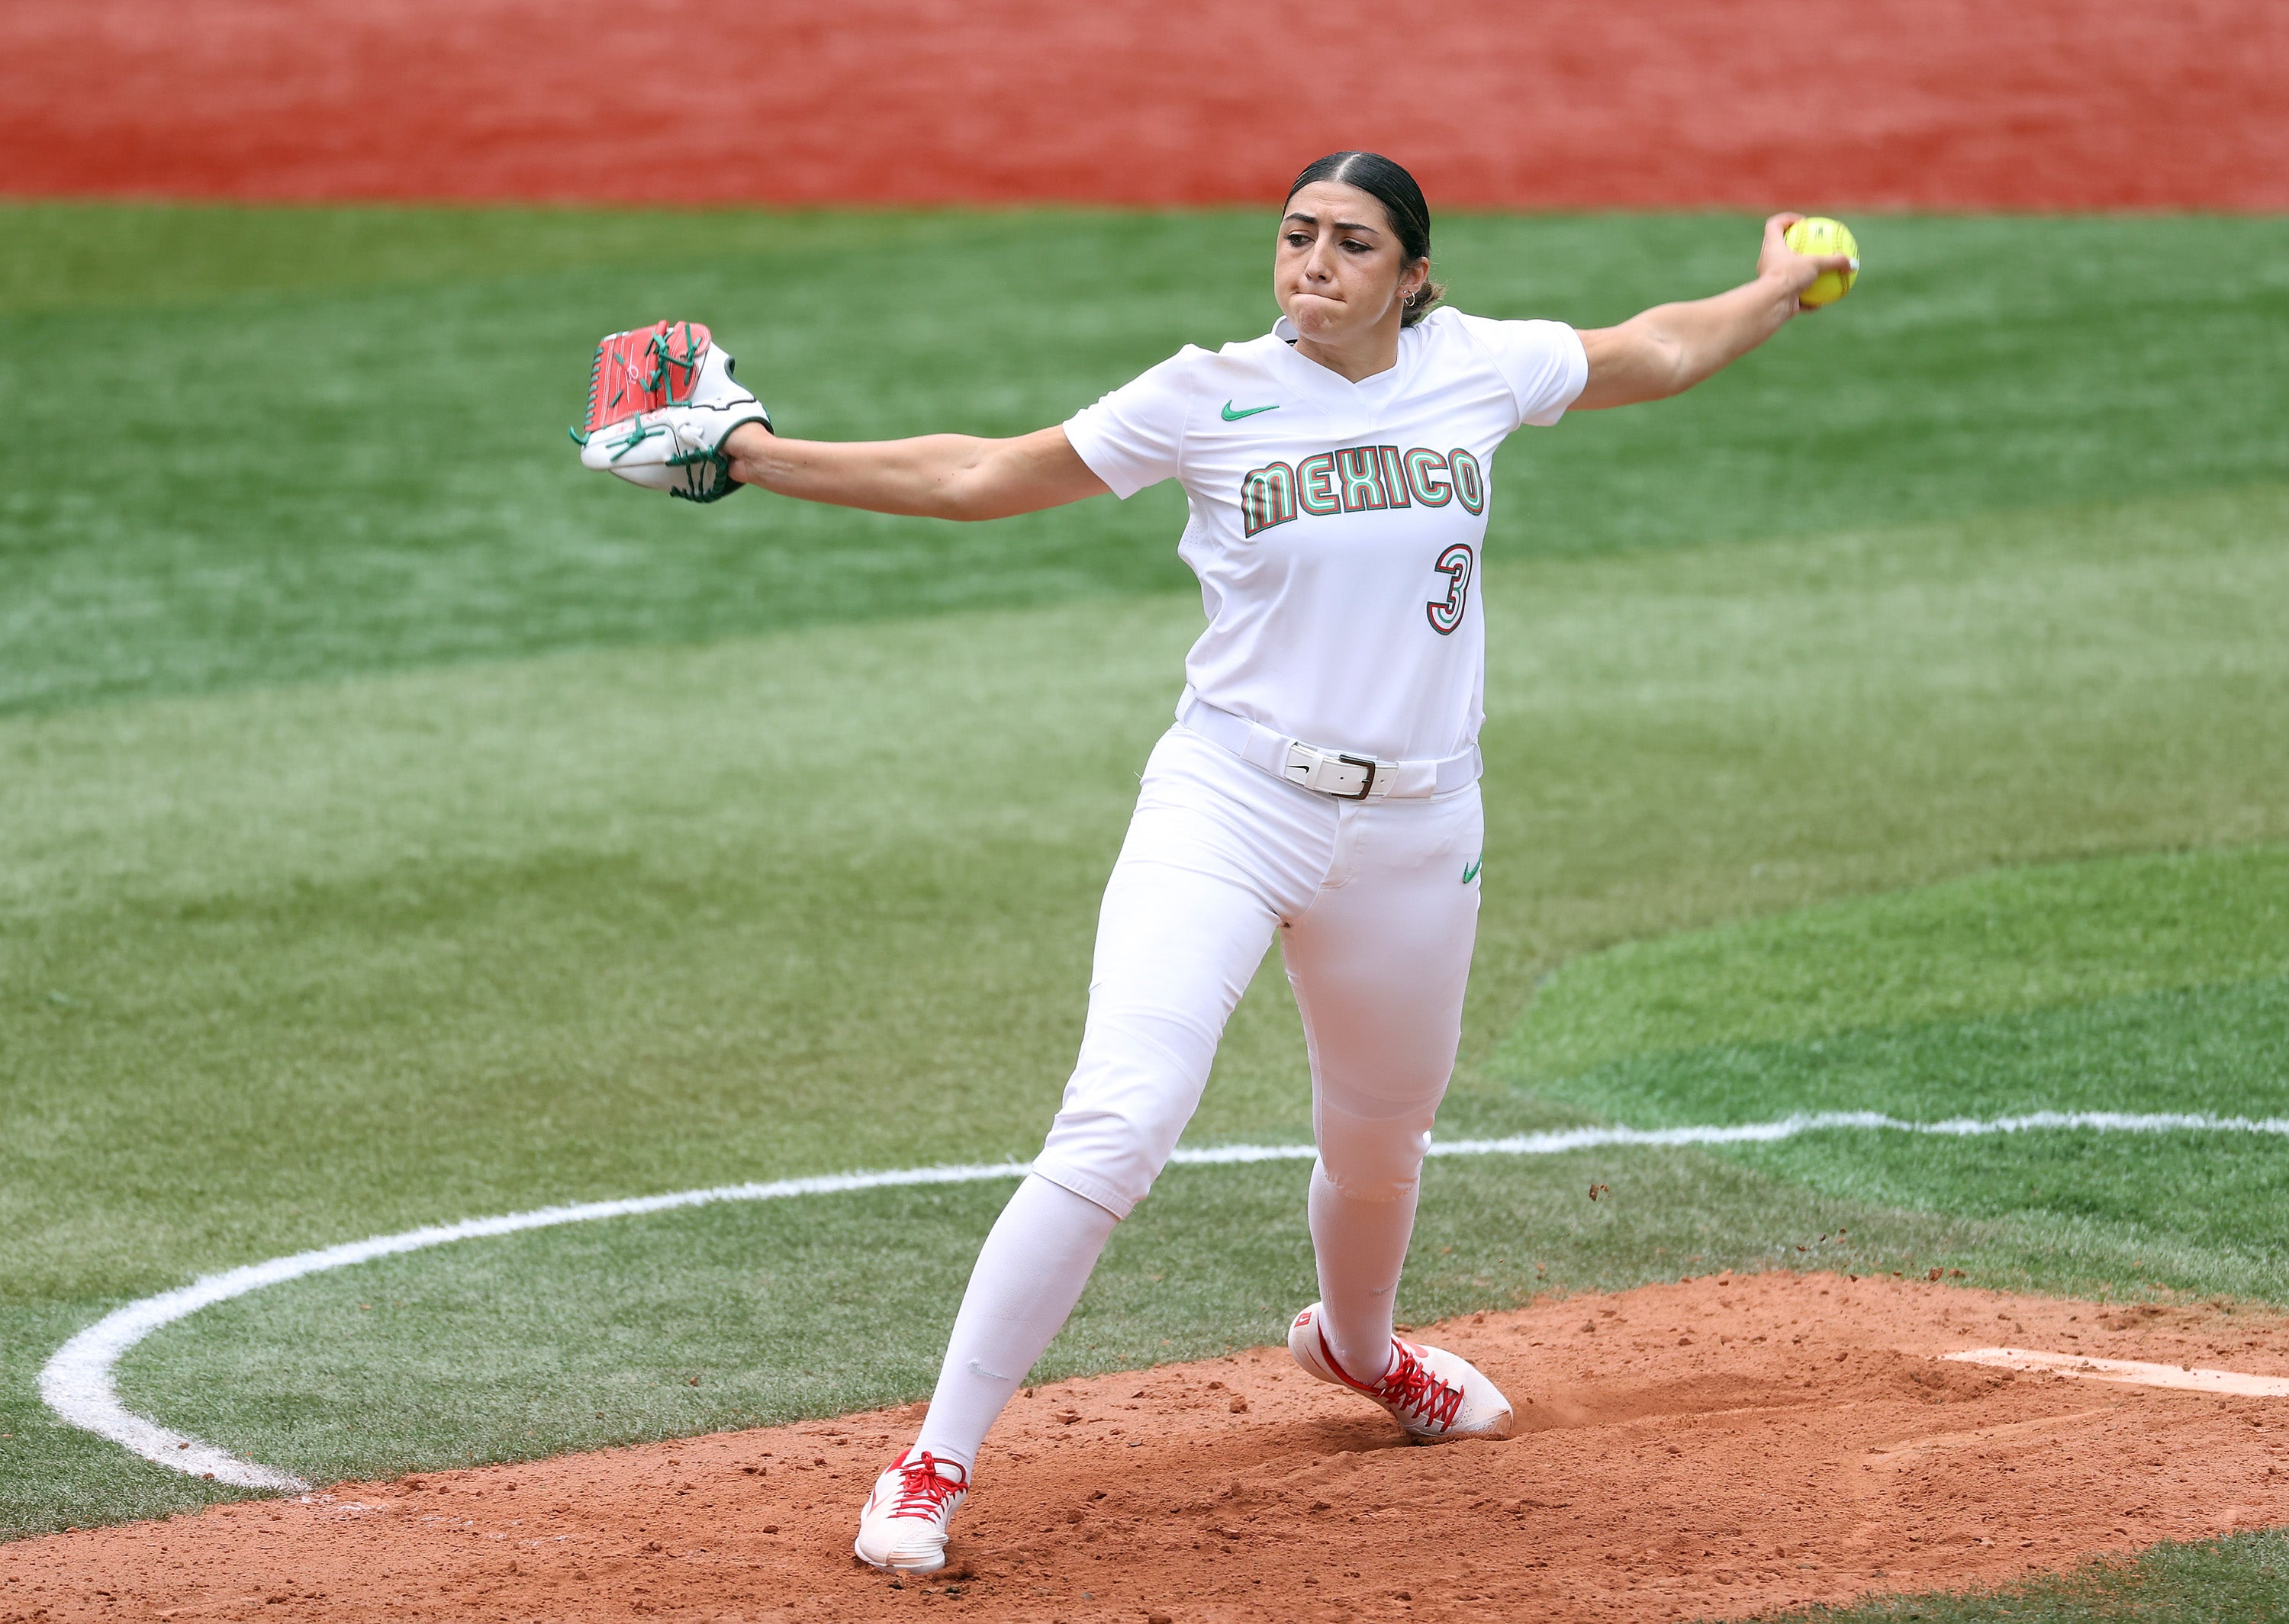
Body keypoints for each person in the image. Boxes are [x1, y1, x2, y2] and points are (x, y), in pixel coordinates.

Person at [577, 150, 1855, 1574]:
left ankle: (1363, 1354)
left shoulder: (1480, 368)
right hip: (1231, 802)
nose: (1313, 263)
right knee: (1121, 1119)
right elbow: (980, 475)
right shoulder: (1207, 389)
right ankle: (930, 1461)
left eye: (1352, 244)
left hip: (1422, 828)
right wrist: (756, 455)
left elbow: (1659, 349)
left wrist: (1779, 285)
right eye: (1297, 235)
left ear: (1413, 274)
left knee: (1381, 1142)